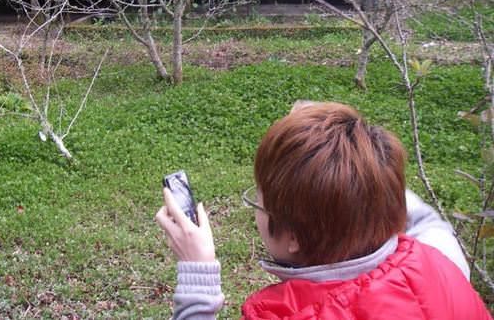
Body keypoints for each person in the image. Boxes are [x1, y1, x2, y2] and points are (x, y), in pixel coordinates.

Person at [155, 101, 492, 319]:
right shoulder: (440, 261)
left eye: (258, 201)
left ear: (293, 238)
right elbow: (425, 219)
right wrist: (357, 165)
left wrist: (197, 276)